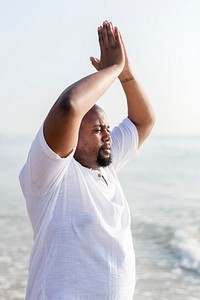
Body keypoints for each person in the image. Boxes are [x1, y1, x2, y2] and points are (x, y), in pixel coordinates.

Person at [19, 20, 155, 300]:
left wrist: (126, 74)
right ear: (71, 137)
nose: (107, 135)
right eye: (96, 130)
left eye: (106, 127)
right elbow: (69, 107)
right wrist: (112, 68)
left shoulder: (107, 167)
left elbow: (143, 121)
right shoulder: (50, 175)